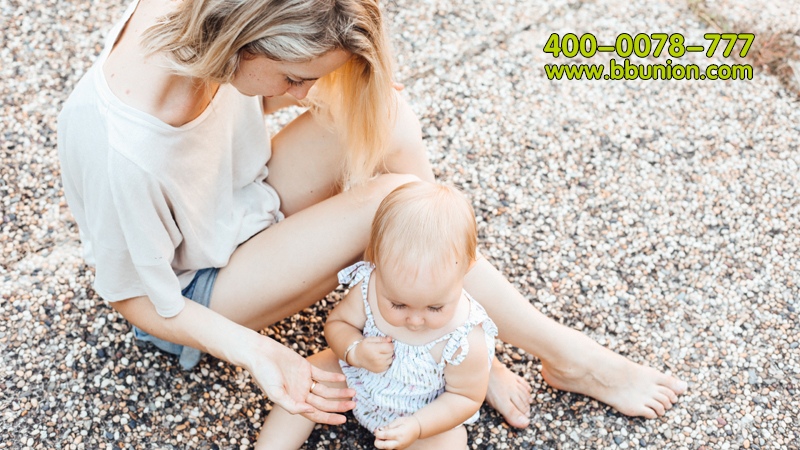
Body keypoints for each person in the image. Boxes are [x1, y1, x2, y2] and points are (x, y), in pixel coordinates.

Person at [57, 0, 687, 432]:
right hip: (195, 291)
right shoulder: (123, 150)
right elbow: (134, 298)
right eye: (294, 78)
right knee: (392, 202)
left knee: (385, 113)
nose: (303, 95)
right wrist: (259, 353)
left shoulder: (205, 20)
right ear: (239, 42)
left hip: (238, 202)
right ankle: (561, 354)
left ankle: (448, 326)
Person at [258, 182, 497, 450]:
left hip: (424, 413)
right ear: (376, 263)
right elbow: (338, 323)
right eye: (398, 304)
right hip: (359, 379)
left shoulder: (464, 339)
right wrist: (354, 350)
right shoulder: (369, 286)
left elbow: (464, 398)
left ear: (467, 268)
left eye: (434, 308)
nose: (415, 320)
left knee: (449, 442)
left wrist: (418, 426)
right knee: (308, 378)